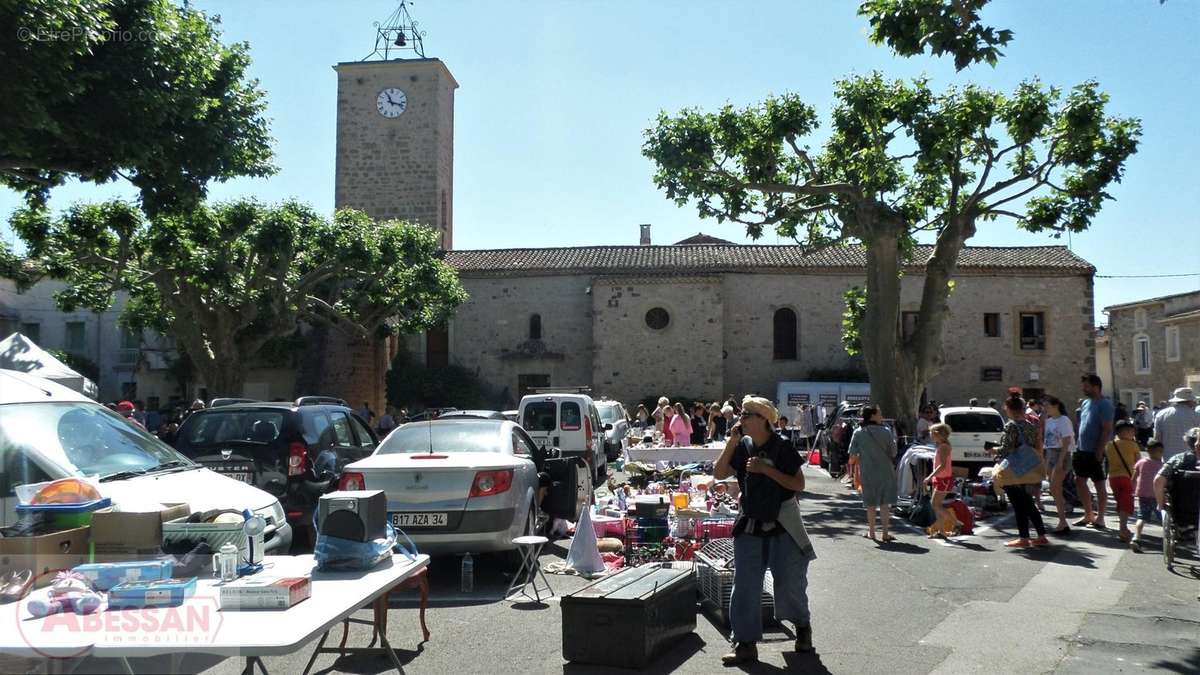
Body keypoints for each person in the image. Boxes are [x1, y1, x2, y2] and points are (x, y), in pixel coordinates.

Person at [714, 397, 815, 665]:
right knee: (745, 584)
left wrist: (765, 471)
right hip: (750, 522)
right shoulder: (742, 444)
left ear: (762, 419)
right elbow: (719, 473)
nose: (741, 419)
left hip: (782, 523)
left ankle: (802, 628)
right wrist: (731, 442)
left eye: (746, 415)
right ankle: (745, 642)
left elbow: (798, 484)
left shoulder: (781, 447)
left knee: (789, 581)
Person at [995, 394, 1049, 548]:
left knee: (1019, 505)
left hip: (1014, 468)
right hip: (1029, 467)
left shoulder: (1011, 426)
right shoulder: (1030, 425)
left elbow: (1007, 448)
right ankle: (1041, 535)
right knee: (1028, 503)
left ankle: (1024, 538)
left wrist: (993, 450)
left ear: (1009, 409)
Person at [847, 405, 898, 543]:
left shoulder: (858, 432)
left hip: (867, 471)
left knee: (870, 504)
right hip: (886, 471)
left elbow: (852, 456)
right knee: (884, 503)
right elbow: (894, 452)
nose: (881, 416)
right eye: (879, 413)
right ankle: (886, 533)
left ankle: (872, 532)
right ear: (873, 416)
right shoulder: (887, 431)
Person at [1074, 374, 1114, 530]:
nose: (1084, 389)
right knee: (1079, 481)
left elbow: (1107, 429)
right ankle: (1088, 514)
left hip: (1096, 451)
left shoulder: (1105, 405)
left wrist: (1099, 450)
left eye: (1087, 386)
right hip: (1081, 449)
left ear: (1096, 386)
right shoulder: (1085, 403)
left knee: (1099, 484)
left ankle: (1101, 518)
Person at [1041, 395, 1076, 535]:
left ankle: (1062, 521)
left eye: (1047, 406)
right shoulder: (1048, 421)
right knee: (1054, 489)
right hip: (1050, 453)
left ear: (1056, 406)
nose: (1045, 409)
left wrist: (1061, 460)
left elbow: (1067, 440)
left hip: (1061, 454)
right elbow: (1047, 441)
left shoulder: (1064, 420)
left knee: (1055, 487)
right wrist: (1045, 461)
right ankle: (1062, 520)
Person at [1153, 427, 1200, 529]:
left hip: (1182, 510)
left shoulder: (1177, 460)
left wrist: (1160, 504)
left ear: (1187, 442)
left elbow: (1158, 481)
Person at [1105, 420, 1141, 543]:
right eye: (1131, 431)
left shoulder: (1110, 444)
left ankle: (1122, 526)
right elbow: (1138, 463)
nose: (1133, 433)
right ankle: (1123, 529)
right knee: (1125, 504)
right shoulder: (1133, 445)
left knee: (1120, 502)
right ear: (1124, 432)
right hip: (1127, 477)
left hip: (1113, 477)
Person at [1130, 440, 1165, 553]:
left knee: (1142, 517)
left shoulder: (1141, 462)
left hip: (1143, 494)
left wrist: (1132, 487)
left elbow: (1134, 477)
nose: (1160, 454)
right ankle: (1168, 537)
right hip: (1156, 495)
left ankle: (1136, 537)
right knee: (1162, 517)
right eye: (1160, 451)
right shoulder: (1162, 465)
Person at [924, 423, 956, 538]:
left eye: (931, 433)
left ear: (937, 434)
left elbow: (942, 465)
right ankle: (941, 531)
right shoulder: (942, 445)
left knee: (935, 504)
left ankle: (955, 522)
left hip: (944, 479)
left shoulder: (943, 447)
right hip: (940, 479)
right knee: (937, 505)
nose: (930, 436)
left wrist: (929, 477)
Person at [1153, 388, 1200, 459]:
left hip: (1168, 457)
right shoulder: (1196, 416)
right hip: (1191, 458)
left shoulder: (1161, 414)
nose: (1195, 402)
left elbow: (1157, 439)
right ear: (1189, 401)